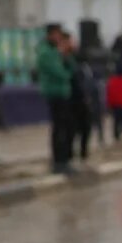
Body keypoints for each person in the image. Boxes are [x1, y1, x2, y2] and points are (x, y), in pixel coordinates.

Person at [36, 24, 77, 175]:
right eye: (57, 34)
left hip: (63, 93)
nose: (59, 38)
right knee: (59, 129)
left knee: (66, 127)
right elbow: (61, 73)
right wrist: (65, 67)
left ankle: (65, 159)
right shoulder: (46, 52)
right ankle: (59, 162)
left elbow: (71, 69)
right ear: (50, 35)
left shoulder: (55, 51)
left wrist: (67, 56)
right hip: (55, 94)